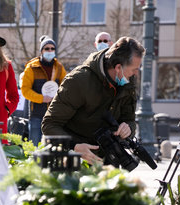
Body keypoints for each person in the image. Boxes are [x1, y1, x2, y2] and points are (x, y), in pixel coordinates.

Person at [42, 37, 144, 165]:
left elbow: (129, 120)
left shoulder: (127, 82)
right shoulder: (78, 80)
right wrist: (74, 146)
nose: (136, 73)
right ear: (118, 68)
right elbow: (50, 125)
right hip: (72, 161)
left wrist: (128, 128)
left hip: (108, 161)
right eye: (134, 69)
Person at [21, 35, 67, 145]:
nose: (50, 51)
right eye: (47, 48)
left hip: (54, 115)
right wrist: (42, 98)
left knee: (53, 148)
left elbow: (66, 88)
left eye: (52, 48)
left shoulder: (59, 68)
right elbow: (25, 90)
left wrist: (58, 98)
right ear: (41, 51)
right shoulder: (31, 67)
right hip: (36, 115)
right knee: (35, 148)